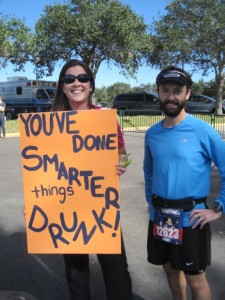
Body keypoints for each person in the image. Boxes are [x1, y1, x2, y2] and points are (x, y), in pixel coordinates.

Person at [51, 59, 133, 300]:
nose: (76, 83)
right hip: (66, 208)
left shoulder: (105, 119)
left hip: (101, 206)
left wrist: (121, 165)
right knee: (76, 276)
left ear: (91, 84)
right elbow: (41, 170)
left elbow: (123, 155)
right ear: (63, 86)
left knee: (117, 272)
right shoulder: (51, 122)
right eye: (69, 79)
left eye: (82, 78)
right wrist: (35, 201)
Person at [143, 66, 225, 300]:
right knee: (169, 269)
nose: (171, 96)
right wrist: (150, 201)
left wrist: (218, 208)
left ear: (187, 94)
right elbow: (149, 171)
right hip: (160, 216)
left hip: (191, 218)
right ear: (158, 93)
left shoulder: (202, 130)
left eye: (177, 91)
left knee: (195, 279)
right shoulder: (152, 134)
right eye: (165, 90)